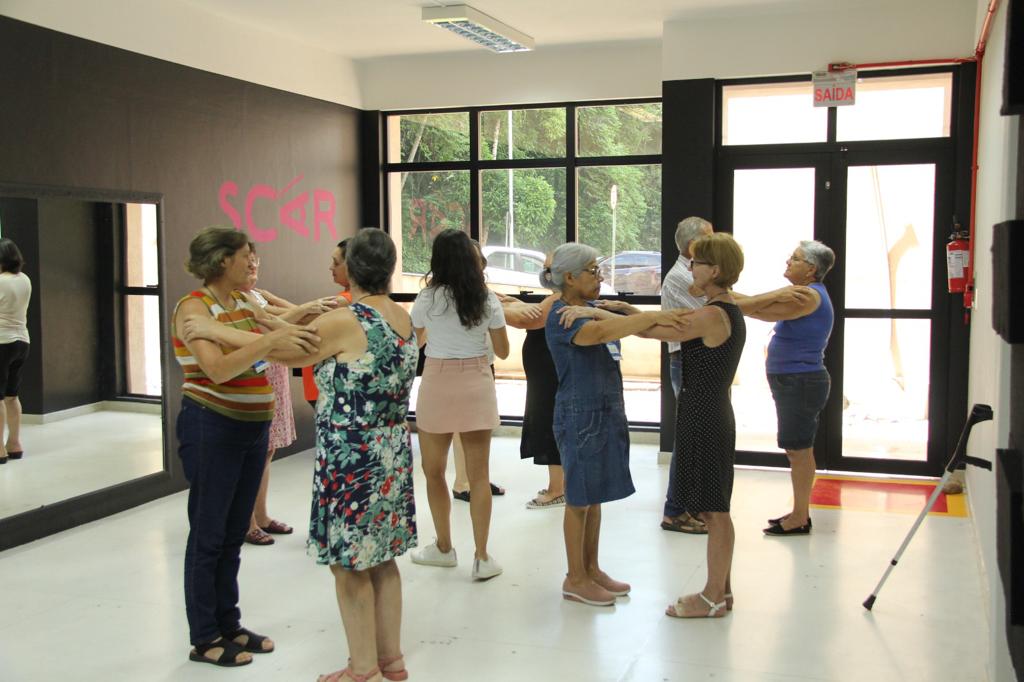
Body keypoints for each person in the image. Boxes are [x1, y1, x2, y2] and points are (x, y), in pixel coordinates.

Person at [183, 228, 418, 682]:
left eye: (336, 260)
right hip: (389, 451)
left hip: (352, 457)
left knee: (349, 565)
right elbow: (296, 333)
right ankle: (391, 660)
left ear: (352, 267)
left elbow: (290, 350)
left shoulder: (348, 318)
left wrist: (215, 329)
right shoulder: (400, 317)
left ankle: (362, 668)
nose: (331, 266)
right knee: (383, 560)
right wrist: (272, 318)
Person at [171, 226, 319, 667]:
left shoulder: (242, 304)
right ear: (221, 262)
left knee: (234, 534)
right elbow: (216, 369)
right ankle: (205, 636)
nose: (252, 263)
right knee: (209, 535)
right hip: (212, 428)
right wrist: (269, 341)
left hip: (252, 428)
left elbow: (285, 342)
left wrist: (278, 335)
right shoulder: (193, 309)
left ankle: (230, 624)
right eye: (244, 257)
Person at [544, 243, 687, 606]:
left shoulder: (590, 309)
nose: (600, 277)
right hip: (580, 413)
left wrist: (629, 313)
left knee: (594, 497)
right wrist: (653, 317)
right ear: (570, 277)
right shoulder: (564, 315)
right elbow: (605, 334)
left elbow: (618, 324)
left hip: (605, 409)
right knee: (578, 499)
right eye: (592, 271)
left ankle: (591, 569)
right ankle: (574, 577)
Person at [649, 233, 746, 619]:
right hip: (705, 411)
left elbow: (657, 331)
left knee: (714, 510)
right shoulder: (721, 308)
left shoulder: (712, 314)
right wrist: (621, 309)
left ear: (715, 270)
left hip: (706, 415)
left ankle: (711, 597)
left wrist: (604, 317)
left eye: (697, 263)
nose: (691, 268)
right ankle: (722, 590)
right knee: (713, 508)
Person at [410, 229, 508, 581]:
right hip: (476, 383)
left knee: (433, 472)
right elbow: (503, 350)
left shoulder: (426, 298)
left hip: (436, 382)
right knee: (479, 477)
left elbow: (415, 340)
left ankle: (443, 547)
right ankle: (482, 557)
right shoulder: (488, 299)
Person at [733, 240, 835, 536]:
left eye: (796, 258)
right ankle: (799, 511)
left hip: (800, 382)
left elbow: (757, 310)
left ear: (811, 269)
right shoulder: (806, 293)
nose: (788, 261)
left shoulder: (806, 296)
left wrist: (719, 294)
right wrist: (724, 294)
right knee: (798, 448)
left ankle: (800, 517)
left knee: (798, 450)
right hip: (796, 381)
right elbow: (755, 304)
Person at [239, 251, 337, 546]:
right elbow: (266, 322)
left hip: (274, 374)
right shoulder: (235, 300)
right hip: (253, 378)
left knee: (267, 451)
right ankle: (247, 522)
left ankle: (262, 515)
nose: (253, 265)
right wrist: (306, 309)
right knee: (252, 453)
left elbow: (292, 317)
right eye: (247, 260)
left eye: (256, 260)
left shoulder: (259, 294)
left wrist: (310, 310)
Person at [508, 254, 564, 509]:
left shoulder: (557, 299)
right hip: (545, 373)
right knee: (548, 421)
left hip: (549, 375)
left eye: (550, 268)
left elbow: (526, 320)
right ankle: (559, 485)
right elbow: (527, 309)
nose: (545, 273)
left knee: (549, 423)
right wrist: (500, 299)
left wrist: (488, 306)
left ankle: (558, 489)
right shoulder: (554, 298)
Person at [0, 238, 30, 464]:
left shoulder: (1, 281)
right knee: (12, 396)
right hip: (22, 342)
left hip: (2, 342)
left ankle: (0, 449)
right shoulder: (24, 280)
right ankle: (15, 444)